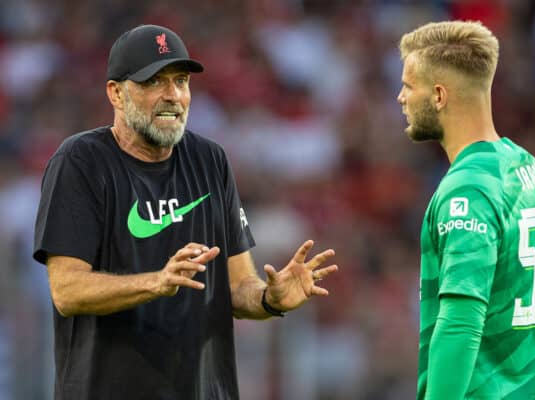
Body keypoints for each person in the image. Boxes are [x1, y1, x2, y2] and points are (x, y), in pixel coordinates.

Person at [33, 24, 338, 400]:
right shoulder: (81, 162)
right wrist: (157, 282)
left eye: (180, 81)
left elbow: (238, 286)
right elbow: (67, 290)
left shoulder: (210, 160)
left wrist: (268, 300)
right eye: (154, 82)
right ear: (115, 93)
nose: (173, 96)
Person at [397, 21, 535, 399]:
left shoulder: (469, 188)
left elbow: (461, 324)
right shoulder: (527, 168)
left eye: (409, 86)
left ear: (439, 95)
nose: (401, 97)